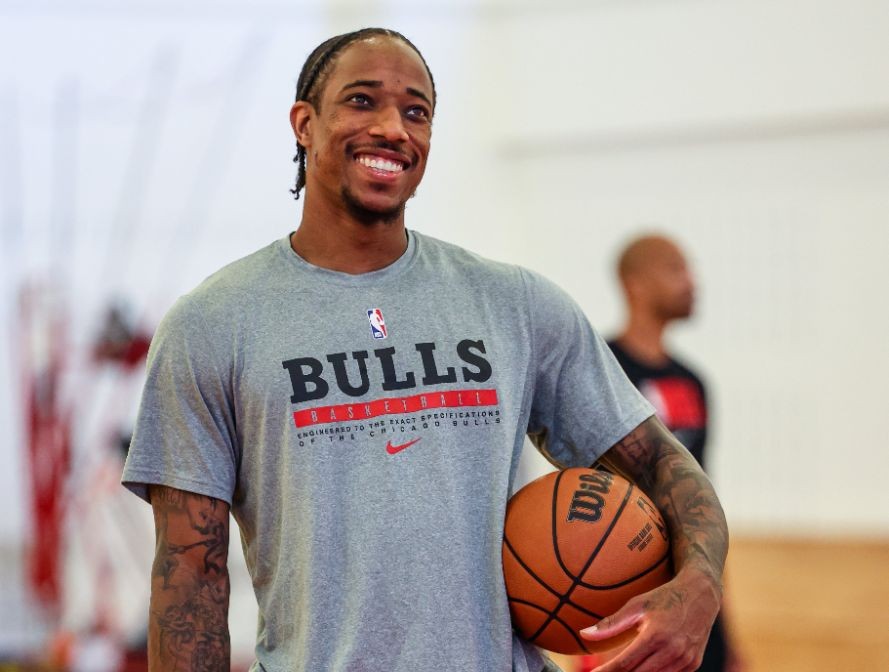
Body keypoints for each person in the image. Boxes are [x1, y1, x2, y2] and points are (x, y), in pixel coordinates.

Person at [121, 28, 729, 672]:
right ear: (304, 123)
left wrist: (700, 584)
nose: (393, 128)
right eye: (361, 101)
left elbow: (667, 466)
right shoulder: (213, 325)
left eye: (416, 112)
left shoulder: (516, 305)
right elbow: (190, 575)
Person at [608, 234, 745, 672]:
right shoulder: (604, 370)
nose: (692, 282)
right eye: (675, 269)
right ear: (634, 283)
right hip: (624, 609)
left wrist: (726, 632)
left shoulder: (693, 381)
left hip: (695, 613)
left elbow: (701, 508)